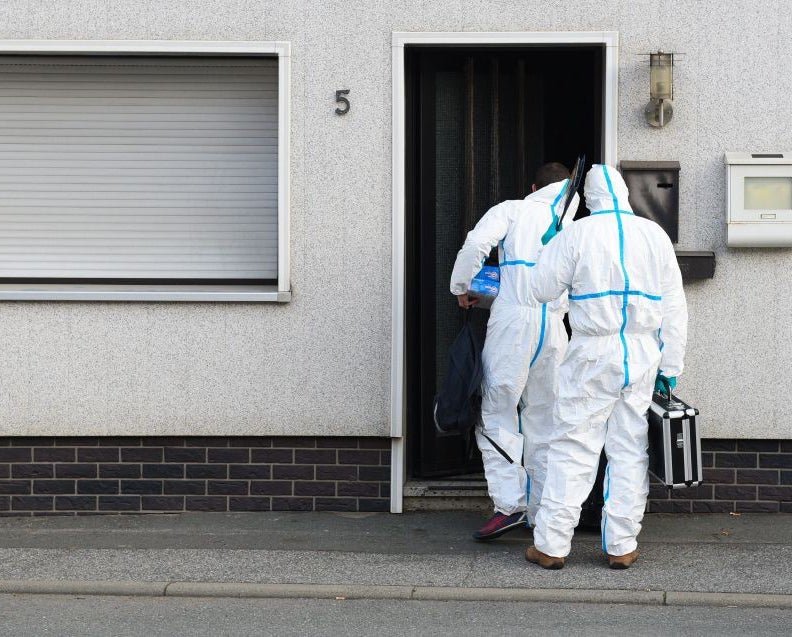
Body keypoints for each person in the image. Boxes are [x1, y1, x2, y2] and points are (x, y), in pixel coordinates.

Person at [525, 164, 687, 569]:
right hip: (642, 355)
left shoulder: (577, 233)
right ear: (624, 193)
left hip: (592, 354)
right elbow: (675, 307)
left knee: (573, 446)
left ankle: (552, 545)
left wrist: (549, 246)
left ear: (591, 198)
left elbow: (540, 289)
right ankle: (621, 546)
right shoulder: (654, 235)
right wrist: (671, 363)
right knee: (630, 450)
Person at [450, 162, 579, 541]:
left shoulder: (513, 209)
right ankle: (541, 512)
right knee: (546, 420)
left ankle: (510, 505)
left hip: (514, 327)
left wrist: (461, 286)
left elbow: (476, 245)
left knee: (496, 411)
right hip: (555, 329)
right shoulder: (572, 224)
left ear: (533, 185)